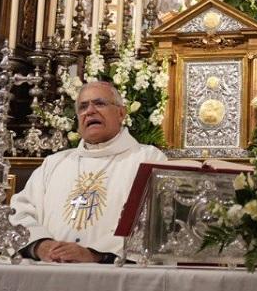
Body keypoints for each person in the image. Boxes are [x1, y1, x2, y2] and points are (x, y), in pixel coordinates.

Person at [11, 80, 166, 263]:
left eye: (99, 103)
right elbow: (19, 211)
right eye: (83, 107)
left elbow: (154, 221)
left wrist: (96, 254)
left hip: (113, 276)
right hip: (50, 270)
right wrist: (41, 245)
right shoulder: (54, 164)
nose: (90, 111)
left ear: (121, 113)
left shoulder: (148, 159)